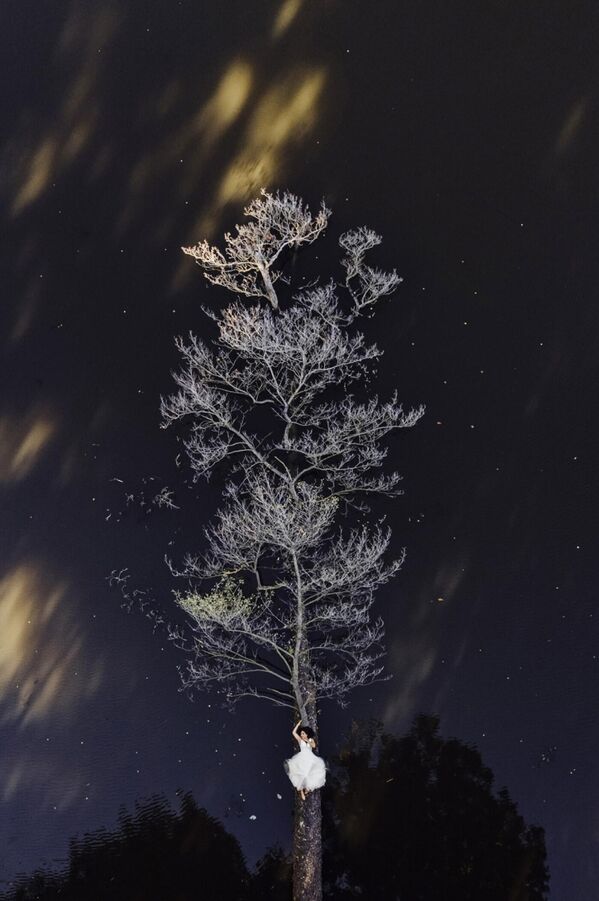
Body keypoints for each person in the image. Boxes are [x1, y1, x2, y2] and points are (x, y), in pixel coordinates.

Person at [284, 718, 326, 801]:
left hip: (310, 757)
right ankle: (301, 791)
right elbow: (293, 733)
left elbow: (313, 746)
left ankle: (307, 788)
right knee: (301, 773)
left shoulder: (310, 740)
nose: (302, 735)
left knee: (310, 773)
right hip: (302, 757)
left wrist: (308, 740)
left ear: (307, 734)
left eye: (303, 733)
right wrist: (298, 724)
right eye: (301, 734)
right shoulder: (300, 741)